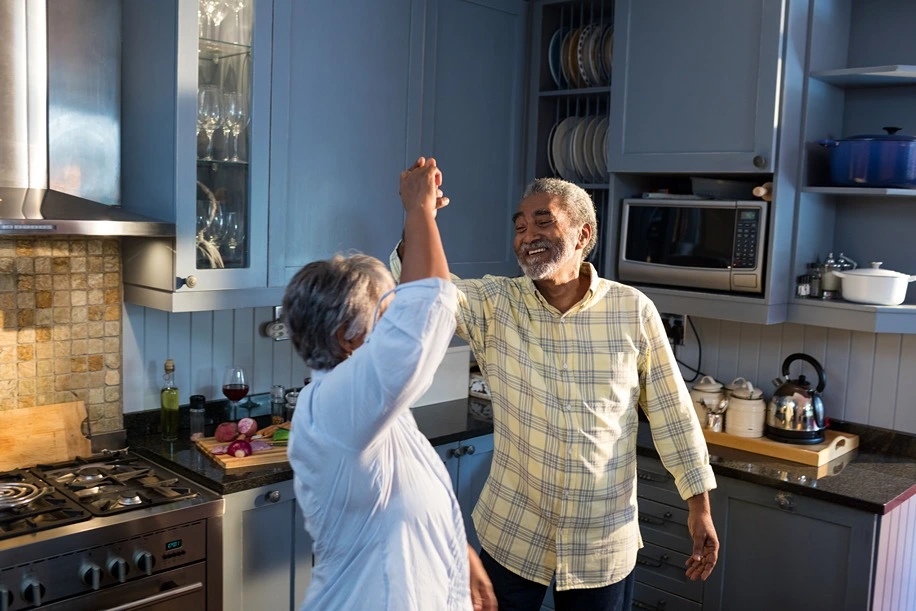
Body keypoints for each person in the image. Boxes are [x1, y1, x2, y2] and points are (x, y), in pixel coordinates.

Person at [390, 170, 719, 610]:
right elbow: (421, 293)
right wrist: (418, 215)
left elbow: (672, 414)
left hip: (601, 541)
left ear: (583, 234)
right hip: (512, 531)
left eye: (543, 222)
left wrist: (700, 506)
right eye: (520, 226)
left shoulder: (632, 311)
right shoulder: (494, 304)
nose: (527, 236)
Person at [285, 158, 496, 610]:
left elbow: (402, 498)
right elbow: (428, 312)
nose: (395, 322)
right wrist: (417, 208)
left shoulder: (373, 410)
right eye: (385, 313)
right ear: (347, 336)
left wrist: (458, 554)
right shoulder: (333, 409)